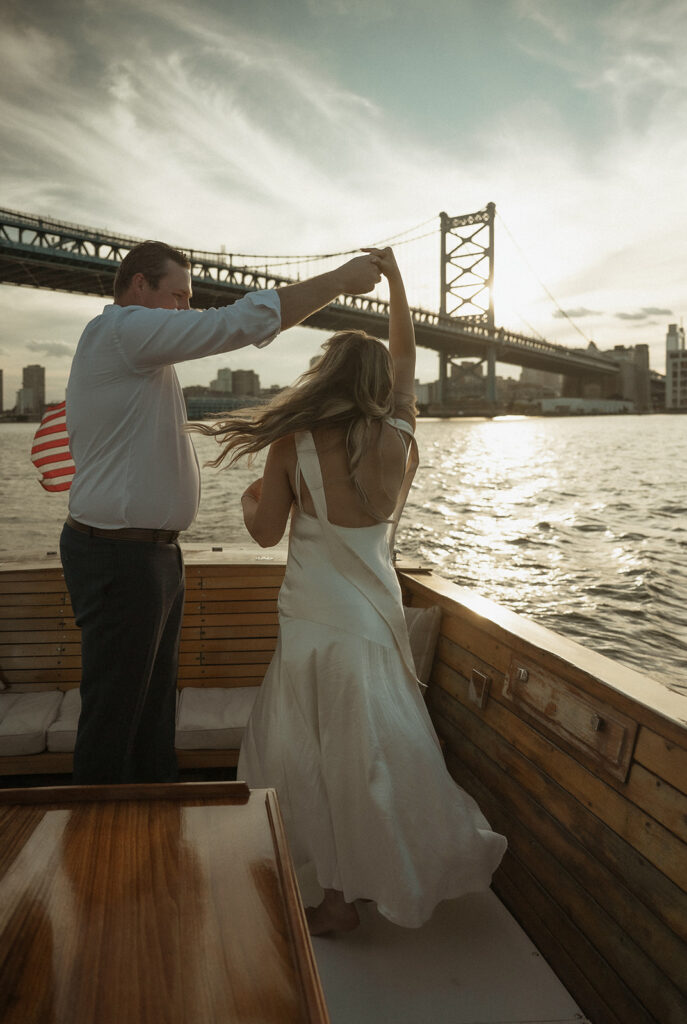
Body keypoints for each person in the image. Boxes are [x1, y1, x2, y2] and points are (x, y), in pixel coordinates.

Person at [198, 247, 507, 933]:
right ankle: (360, 887)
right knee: (371, 761)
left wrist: (251, 499)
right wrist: (397, 279)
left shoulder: (292, 443)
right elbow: (406, 360)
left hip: (310, 622)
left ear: (324, 374)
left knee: (308, 762)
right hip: (372, 622)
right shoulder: (398, 430)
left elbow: (263, 531)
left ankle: (333, 897)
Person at [59, 239, 382, 785]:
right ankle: (96, 851)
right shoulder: (124, 331)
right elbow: (232, 324)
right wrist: (337, 282)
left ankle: (155, 832)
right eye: (178, 296)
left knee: (152, 714)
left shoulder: (140, 352)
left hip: (146, 555)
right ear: (139, 285)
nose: (186, 309)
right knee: (116, 718)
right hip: (119, 556)